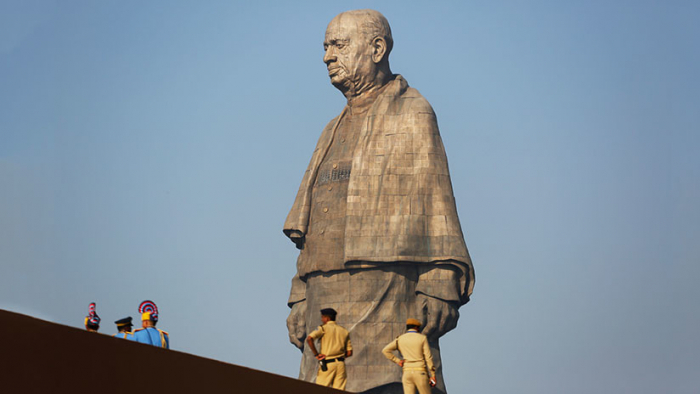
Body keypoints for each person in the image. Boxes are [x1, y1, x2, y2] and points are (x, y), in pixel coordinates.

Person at [283, 9, 475, 394]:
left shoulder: (413, 112)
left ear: (376, 49)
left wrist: (439, 280)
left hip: (388, 295)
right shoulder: (329, 130)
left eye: (338, 45)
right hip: (326, 300)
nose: (327, 56)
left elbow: (436, 202)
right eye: (325, 47)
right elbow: (312, 224)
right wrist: (300, 292)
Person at [382, 319, 436, 394]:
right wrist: (433, 375)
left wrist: (397, 361)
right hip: (420, 371)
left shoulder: (400, 339)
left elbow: (385, 350)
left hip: (407, 372)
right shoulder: (422, 338)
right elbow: (428, 357)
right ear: (416, 327)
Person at [306, 308, 352, 390]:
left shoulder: (323, 328)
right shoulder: (344, 331)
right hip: (340, 365)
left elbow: (309, 339)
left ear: (327, 318)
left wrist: (316, 354)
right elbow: (349, 353)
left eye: (322, 317)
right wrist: (338, 355)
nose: (321, 319)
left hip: (327, 364)